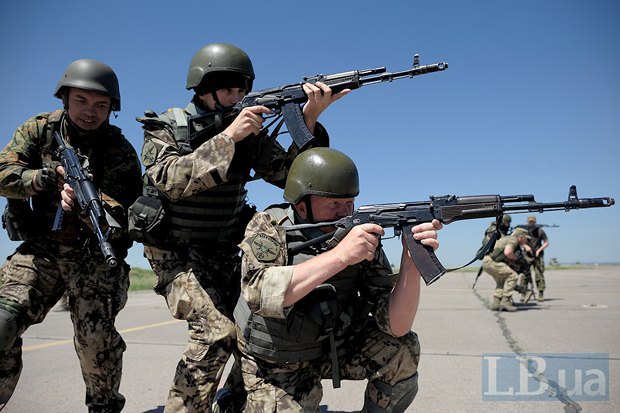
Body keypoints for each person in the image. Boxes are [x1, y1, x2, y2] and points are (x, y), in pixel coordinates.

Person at [129, 43, 347, 412]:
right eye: (230, 89)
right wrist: (228, 138)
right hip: (176, 252)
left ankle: (233, 398)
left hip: (226, 249)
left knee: (256, 324)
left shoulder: (250, 135)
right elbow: (168, 179)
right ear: (204, 87)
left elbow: (291, 179)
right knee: (216, 333)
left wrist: (308, 119)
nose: (238, 97)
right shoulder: (167, 127)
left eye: (243, 89)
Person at [233, 147, 442, 412]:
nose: (344, 213)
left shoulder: (362, 238)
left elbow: (396, 326)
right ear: (301, 205)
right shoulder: (270, 226)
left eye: (349, 203)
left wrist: (411, 260)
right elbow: (259, 293)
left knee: (403, 349)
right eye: (333, 204)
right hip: (277, 361)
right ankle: (234, 398)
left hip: (331, 347)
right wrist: (340, 256)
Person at [0, 59, 142, 412]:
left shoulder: (120, 152)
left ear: (112, 109)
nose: (90, 112)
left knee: (96, 342)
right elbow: (4, 172)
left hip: (93, 255)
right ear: (65, 98)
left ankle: (104, 406)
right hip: (42, 251)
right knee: (1, 323)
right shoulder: (40, 130)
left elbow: (128, 213)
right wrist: (43, 180)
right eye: (81, 101)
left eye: (101, 105)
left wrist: (85, 202)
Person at [481, 227, 534, 311]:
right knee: (513, 276)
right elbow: (508, 252)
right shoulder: (513, 239)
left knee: (501, 281)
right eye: (526, 239)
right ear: (521, 237)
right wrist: (517, 259)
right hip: (491, 262)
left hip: (487, 262)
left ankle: (496, 302)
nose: (526, 241)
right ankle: (506, 301)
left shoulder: (507, 238)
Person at [472, 214, 512, 288]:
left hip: (496, 257)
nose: (508, 225)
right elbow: (487, 242)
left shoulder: (500, 230)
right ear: (503, 222)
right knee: (507, 278)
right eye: (507, 223)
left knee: (501, 281)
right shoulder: (494, 230)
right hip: (491, 257)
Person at [522, 215, 549, 301]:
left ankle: (540, 293)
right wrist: (526, 246)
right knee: (524, 275)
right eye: (530, 222)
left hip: (538, 255)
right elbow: (520, 241)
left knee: (539, 274)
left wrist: (539, 250)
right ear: (527, 222)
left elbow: (546, 242)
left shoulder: (540, 231)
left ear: (535, 222)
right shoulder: (524, 231)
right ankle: (524, 293)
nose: (531, 224)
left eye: (533, 222)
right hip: (527, 255)